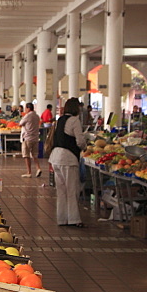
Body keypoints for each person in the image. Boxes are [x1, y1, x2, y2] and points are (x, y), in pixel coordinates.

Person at [49, 97, 88, 227]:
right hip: (68, 158)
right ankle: (74, 219)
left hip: (55, 157)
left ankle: (62, 218)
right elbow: (80, 141)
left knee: (61, 191)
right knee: (72, 190)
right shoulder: (74, 120)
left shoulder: (60, 120)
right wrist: (85, 147)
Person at [19, 102, 41, 178]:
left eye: (25, 108)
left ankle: (29, 172)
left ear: (28, 108)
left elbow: (20, 123)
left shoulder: (27, 116)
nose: (25, 109)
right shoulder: (37, 116)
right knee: (35, 155)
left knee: (26, 155)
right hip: (35, 138)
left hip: (27, 138)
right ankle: (38, 168)